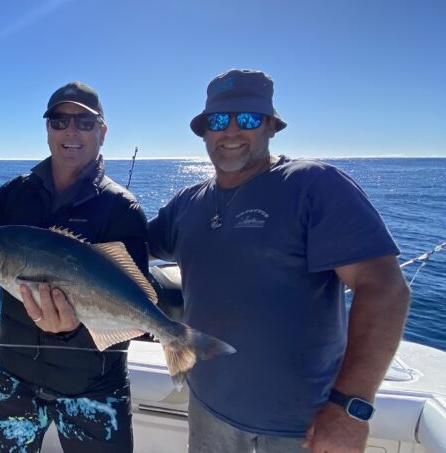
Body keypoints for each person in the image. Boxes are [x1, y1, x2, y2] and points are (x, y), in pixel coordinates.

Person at [148, 69, 411, 453]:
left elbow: (385, 290)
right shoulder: (188, 203)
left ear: (271, 126)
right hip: (207, 408)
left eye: (249, 119)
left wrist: (349, 408)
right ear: (204, 132)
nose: (232, 131)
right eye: (219, 120)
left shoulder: (313, 184)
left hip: (301, 425)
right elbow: (130, 245)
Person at [0, 81, 147, 453]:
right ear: (47, 129)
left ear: (102, 132)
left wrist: (69, 332)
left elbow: (130, 305)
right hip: (16, 373)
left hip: (93, 385)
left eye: (84, 121)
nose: (71, 131)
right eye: (59, 120)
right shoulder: (15, 193)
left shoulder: (121, 208)